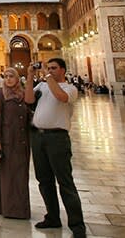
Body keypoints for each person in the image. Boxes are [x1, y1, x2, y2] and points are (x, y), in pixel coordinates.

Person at [32, 58, 85, 237]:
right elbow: (29, 100)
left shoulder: (70, 89)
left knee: (65, 182)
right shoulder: (41, 87)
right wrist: (31, 75)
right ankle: (52, 217)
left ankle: (77, 226)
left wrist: (47, 77)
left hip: (57, 139)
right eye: (49, 68)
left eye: (54, 68)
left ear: (63, 70)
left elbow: (60, 97)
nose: (51, 70)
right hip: (39, 137)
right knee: (44, 181)